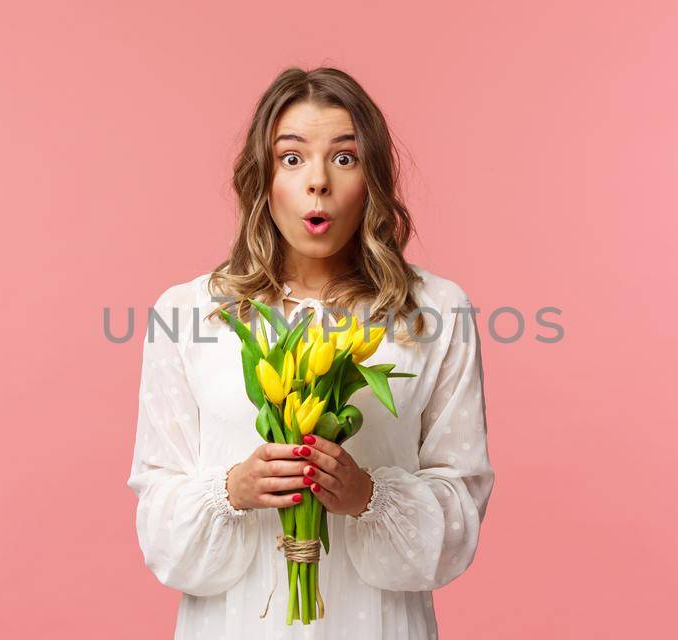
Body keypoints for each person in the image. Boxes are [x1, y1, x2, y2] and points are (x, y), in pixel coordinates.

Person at [127, 66, 494, 639]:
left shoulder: (436, 311)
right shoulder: (188, 313)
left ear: (372, 178)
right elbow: (158, 523)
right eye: (292, 158)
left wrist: (368, 495)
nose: (317, 181)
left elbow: (461, 510)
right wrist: (233, 490)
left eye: (344, 157)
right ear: (263, 177)